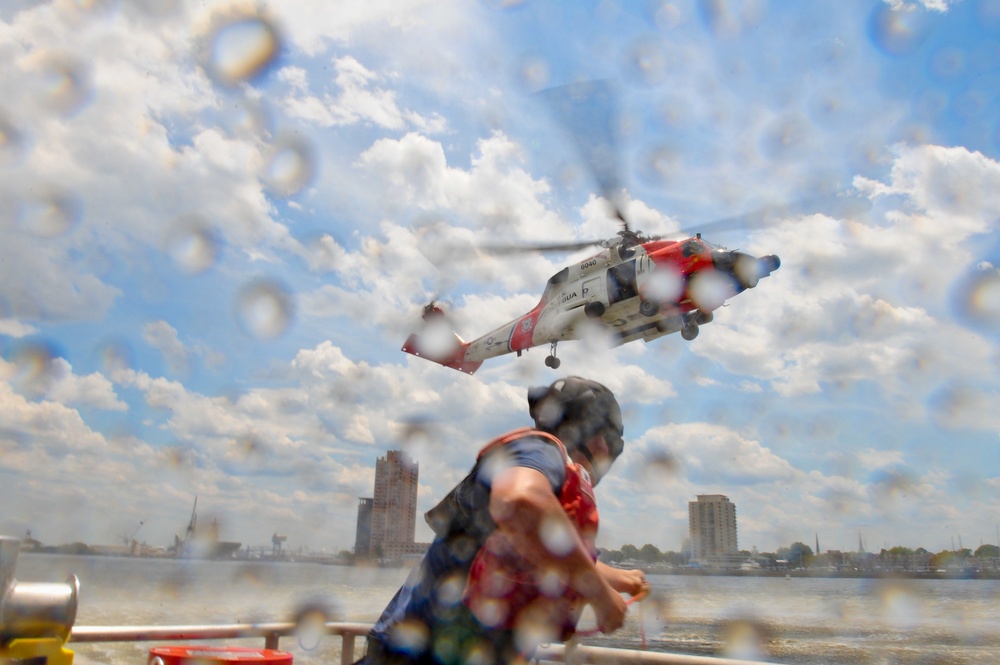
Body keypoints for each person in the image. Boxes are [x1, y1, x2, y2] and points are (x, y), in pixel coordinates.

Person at [359, 376, 647, 665]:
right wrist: (599, 595)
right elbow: (519, 503)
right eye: (612, 444)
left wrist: (622, 580)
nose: (608, 454)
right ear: (596, 437)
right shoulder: (541, 451)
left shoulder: (545, 477)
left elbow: (539, 553)